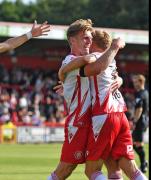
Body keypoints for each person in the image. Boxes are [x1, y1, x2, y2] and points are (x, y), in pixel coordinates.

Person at [57, 30, 148, 180]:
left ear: (93, 43)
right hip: (121, 115)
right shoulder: (111, 60)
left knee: (92, 170)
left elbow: (94, 67)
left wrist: (63, 71)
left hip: (104, 114)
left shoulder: (97, 58)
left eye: (89, 40)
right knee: (126, 167)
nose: (87, 42)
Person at [47, 19, 125, 180]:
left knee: (107, 164)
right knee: (66, 168)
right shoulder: (70, 60)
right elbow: (89, 61)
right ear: (72, 40)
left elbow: (102, 72)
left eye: (90, 37)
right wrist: (63, 71)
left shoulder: (82, 61)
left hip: (93, 120)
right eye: (85, 37)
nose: (89, 41)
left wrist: (119, 79)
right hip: (78, 122)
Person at [132, 74, 149, 173]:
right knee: (136, 143)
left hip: (140, 122)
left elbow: (139, 108)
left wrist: (134, 121)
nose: (134, 84)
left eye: (135, 82)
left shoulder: (140, 94)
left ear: (140, 82)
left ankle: (143, 163)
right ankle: (144, 163)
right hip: (144, 121)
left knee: (134, 143)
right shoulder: (146, 93)